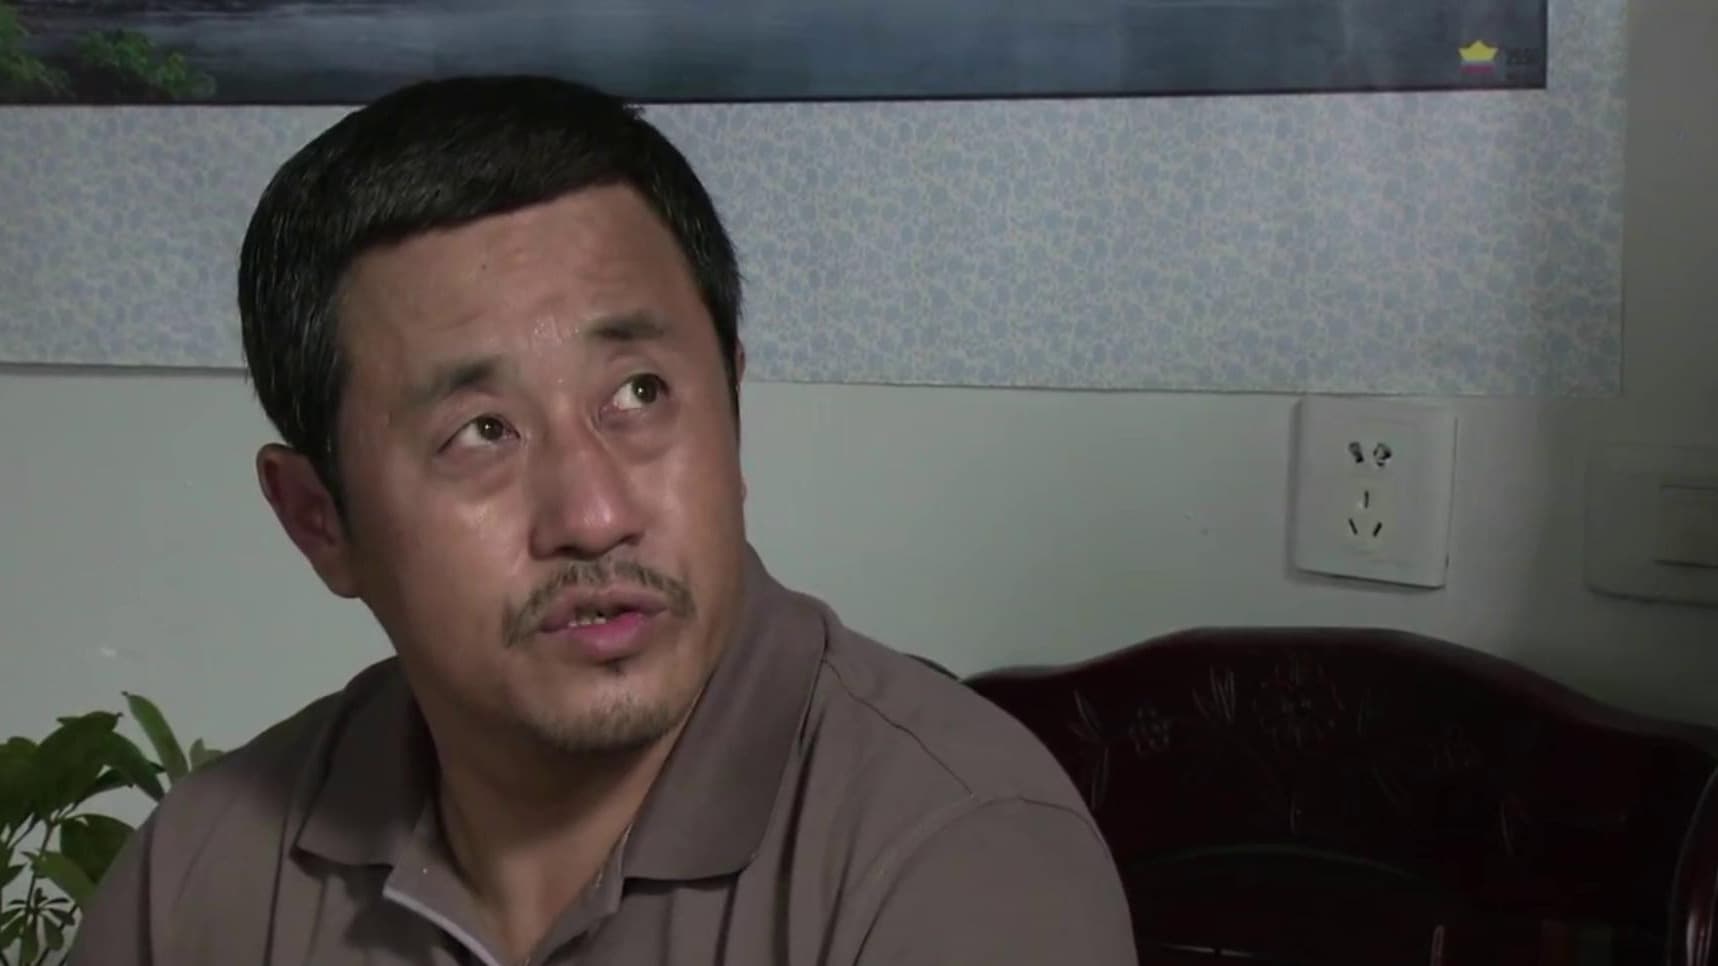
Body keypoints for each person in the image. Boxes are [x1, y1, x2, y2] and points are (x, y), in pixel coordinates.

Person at [69, 75, 1137, 966]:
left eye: (638, 394)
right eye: (482, 431)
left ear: (731, 407)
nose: (594, 515)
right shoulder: (203, 874)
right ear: (318, 521)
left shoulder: (953, 856)